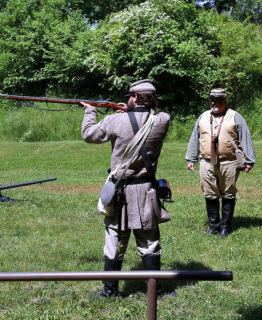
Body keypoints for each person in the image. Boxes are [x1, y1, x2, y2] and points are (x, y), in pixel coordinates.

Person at [81, 79, 171, 298]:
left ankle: (110, 291)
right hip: (146, 192)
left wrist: (91, 111)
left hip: (121, 193)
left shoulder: (115, 120)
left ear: (134, 97)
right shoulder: (162, 120)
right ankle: (155, 291)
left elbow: (89, 135)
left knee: (115, 241)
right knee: (149, 242)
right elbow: (151, 115)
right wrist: (132, 110)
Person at [185, 88, 256, 238]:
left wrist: (249, 161)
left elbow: (245, 138)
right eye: (212, 100)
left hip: (229, 162)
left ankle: (225, 227)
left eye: (218, 100)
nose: (214, 103)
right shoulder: (203, 116)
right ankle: (214, 225)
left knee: (228, 193)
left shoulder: (235, 116)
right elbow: (194, 137)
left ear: (225, 101)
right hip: (206, 162)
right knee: (210, 193)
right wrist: (191, 158)